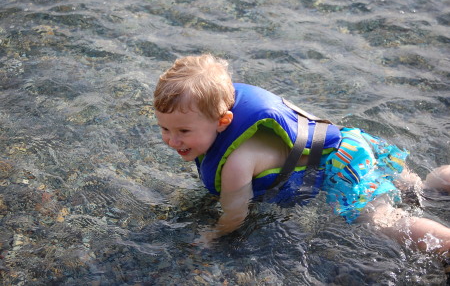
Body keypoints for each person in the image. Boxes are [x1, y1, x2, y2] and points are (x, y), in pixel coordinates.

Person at [153, 53, 450, 254]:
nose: (171, 140)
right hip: (353, 141)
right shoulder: (229, 110)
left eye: (183, 131)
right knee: (420, 189)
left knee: (383, 221)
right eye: (164, 129)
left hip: (342, 169)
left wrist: (212, 235)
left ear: (223, 121)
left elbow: (235, 215)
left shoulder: (235, 163)